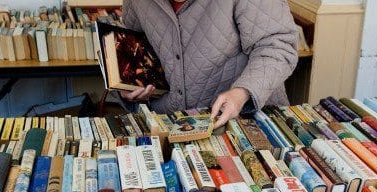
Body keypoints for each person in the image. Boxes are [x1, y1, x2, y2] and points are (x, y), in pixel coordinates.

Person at [120, 0, 298, 129]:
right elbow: (137, 44)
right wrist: (129, 82)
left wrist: (242, 92)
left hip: (247, 123)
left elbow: (278, 47)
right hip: (169, 123)